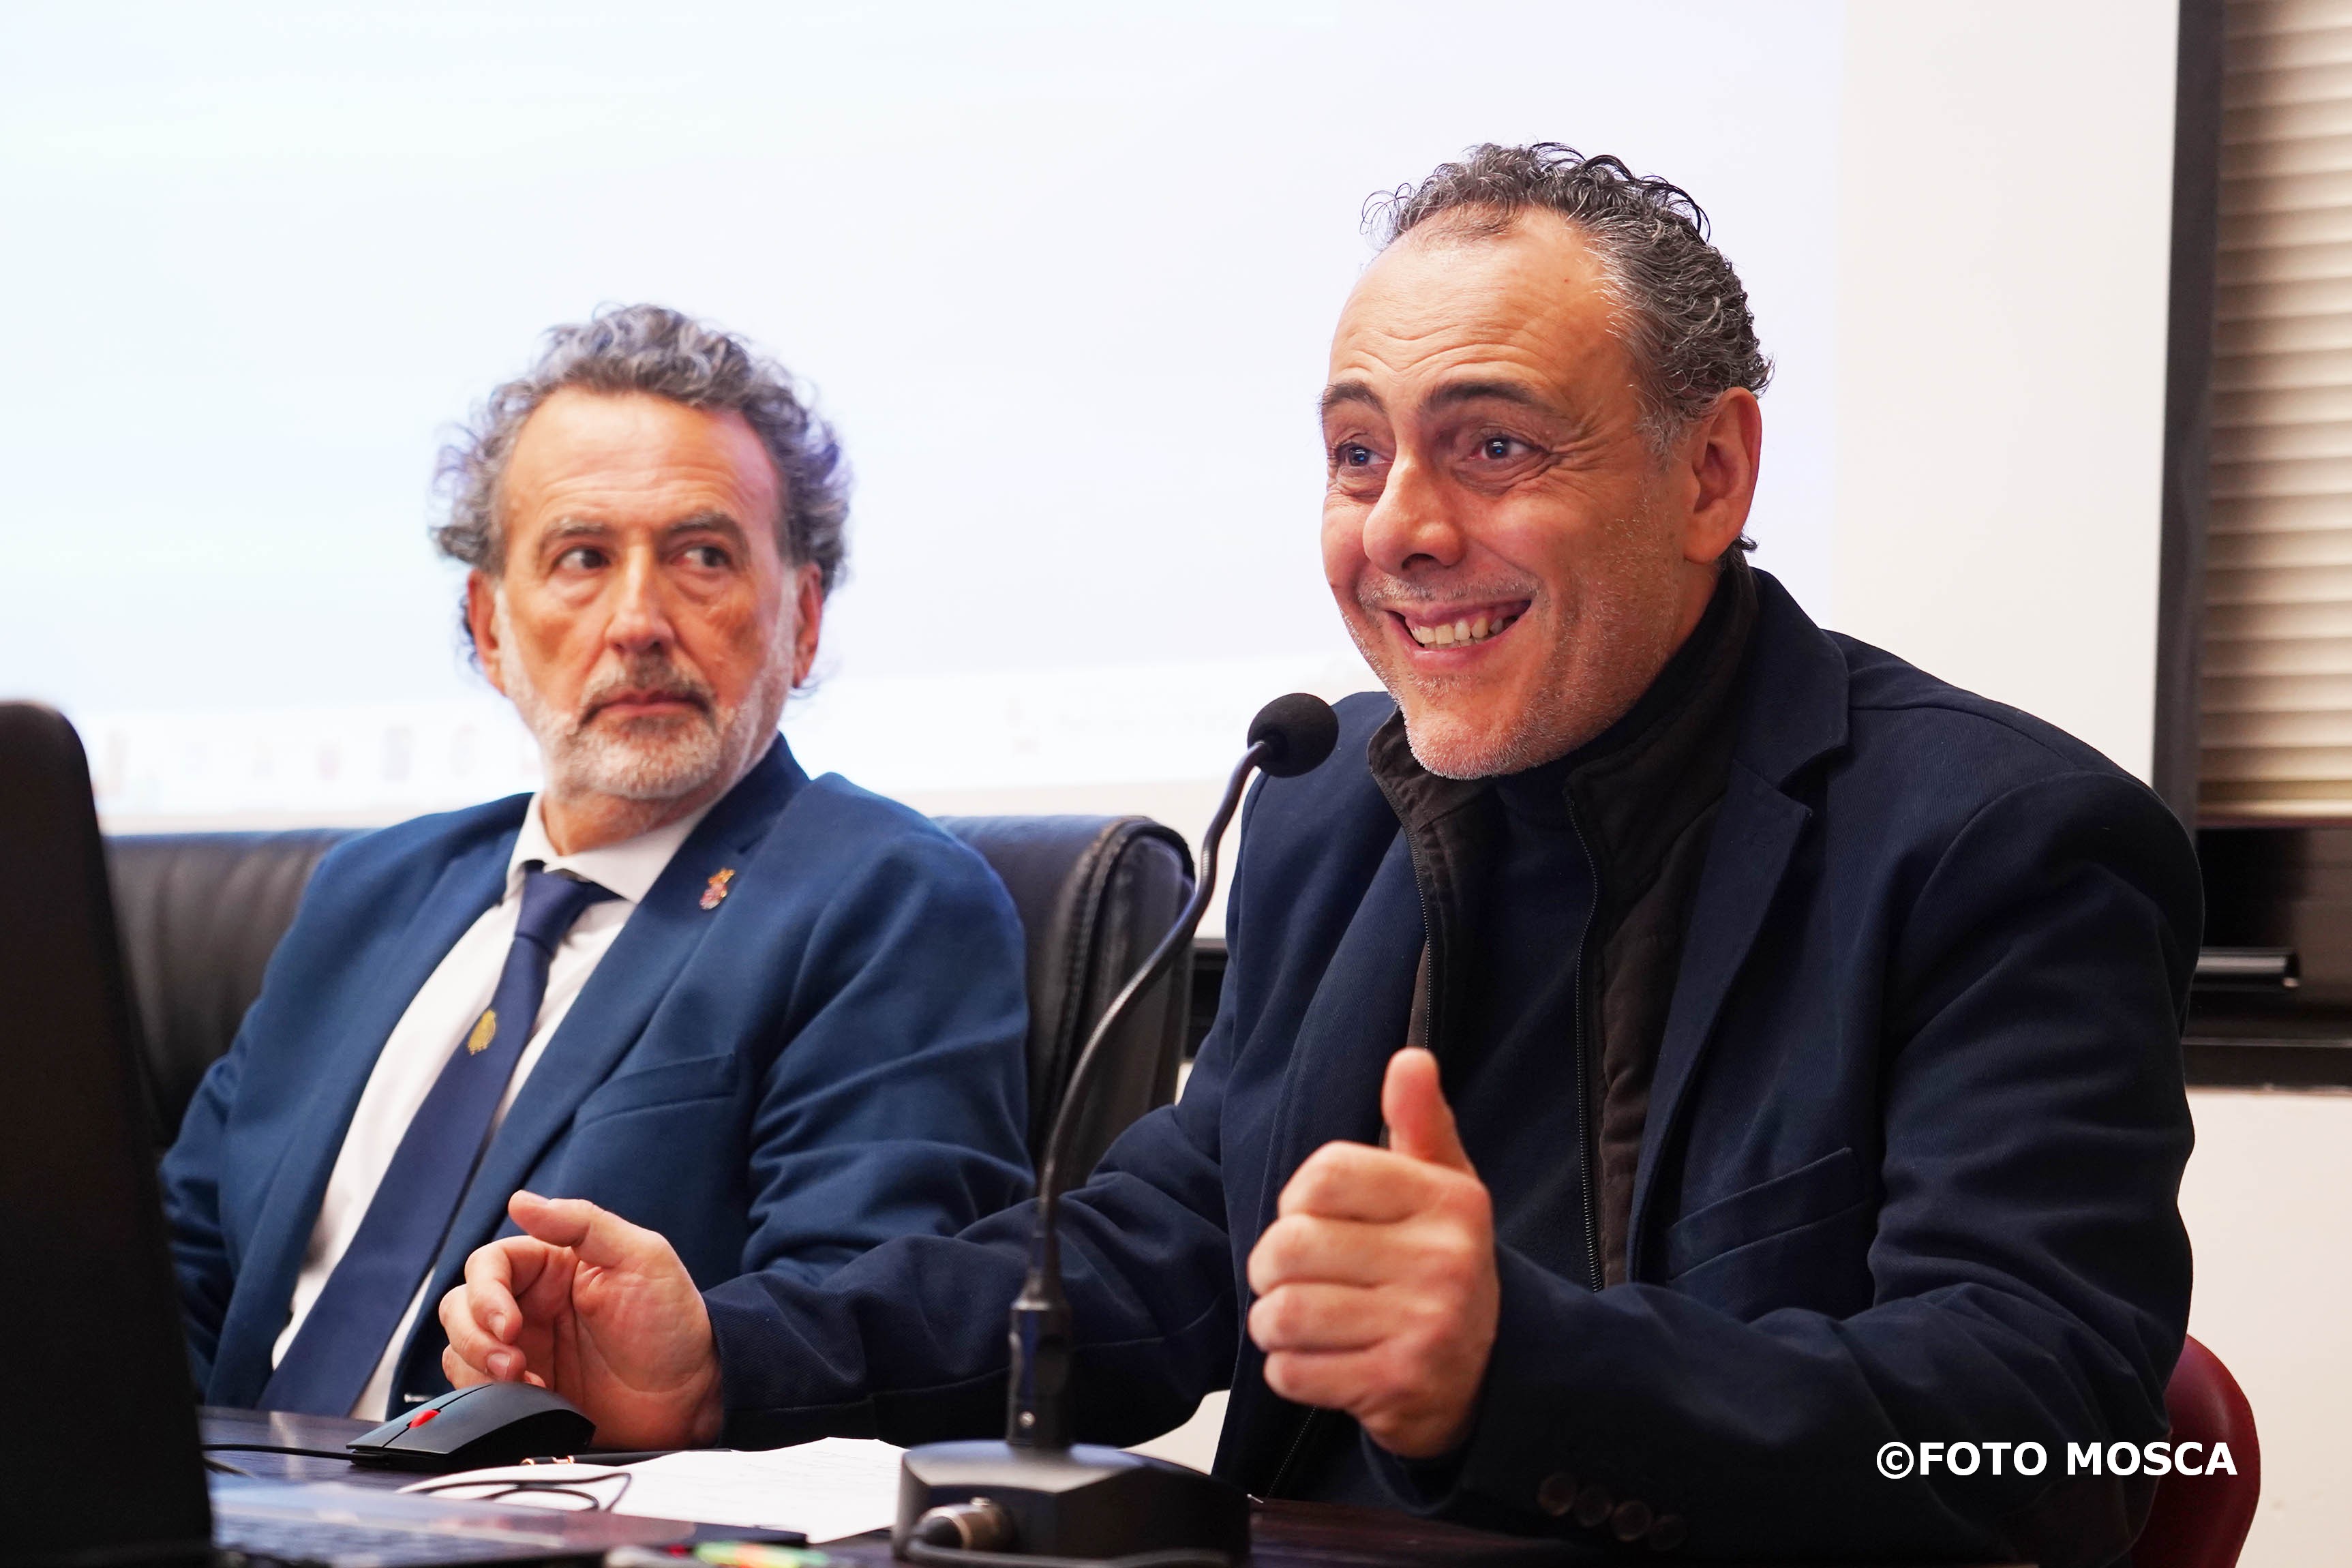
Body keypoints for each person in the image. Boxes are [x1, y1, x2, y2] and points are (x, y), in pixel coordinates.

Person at [439, 150, 2197, 1565]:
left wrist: (1523, 1366)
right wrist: (725, 1357)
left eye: (1493, 446)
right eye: (1358, 454)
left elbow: (2053, 1432)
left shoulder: (1995, 844)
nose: (1402, 529)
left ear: (1710, 473)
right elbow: (1161, 1255)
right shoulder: (1334, 800)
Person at [161, 305, 1033, 1422]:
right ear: (489, 626)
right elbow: (169, 1266)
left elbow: (862, 1321)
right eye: (582, 558)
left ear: (803, 620)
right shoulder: (366, 892)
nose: (637, 621)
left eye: (702, 556)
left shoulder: (885, 899)